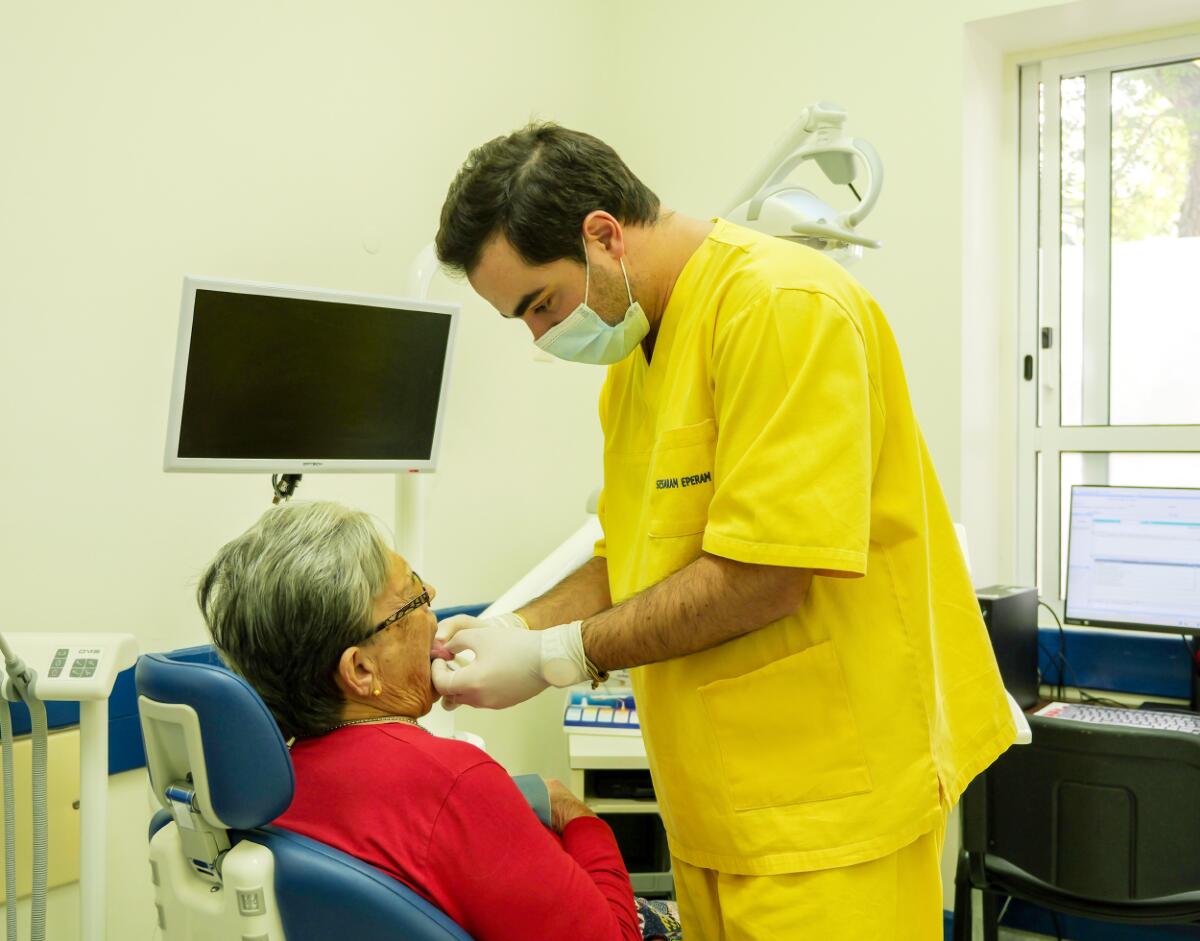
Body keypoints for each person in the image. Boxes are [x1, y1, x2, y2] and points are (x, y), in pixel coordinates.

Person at [430, 122, 1018, 939]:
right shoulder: (632, 364)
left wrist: (558, 655)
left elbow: (767, 573)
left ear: (603, 234)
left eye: (542, 304)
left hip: (830, 815)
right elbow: (633, 553)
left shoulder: (782, 307)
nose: (541, 336)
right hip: (718, 814)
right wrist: (514, 626)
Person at [197, 500, 667, 941]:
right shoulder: (454, 781)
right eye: (411, 599)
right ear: (360, 670)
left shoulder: (268, 787)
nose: (432, 597)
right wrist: (581, 819)